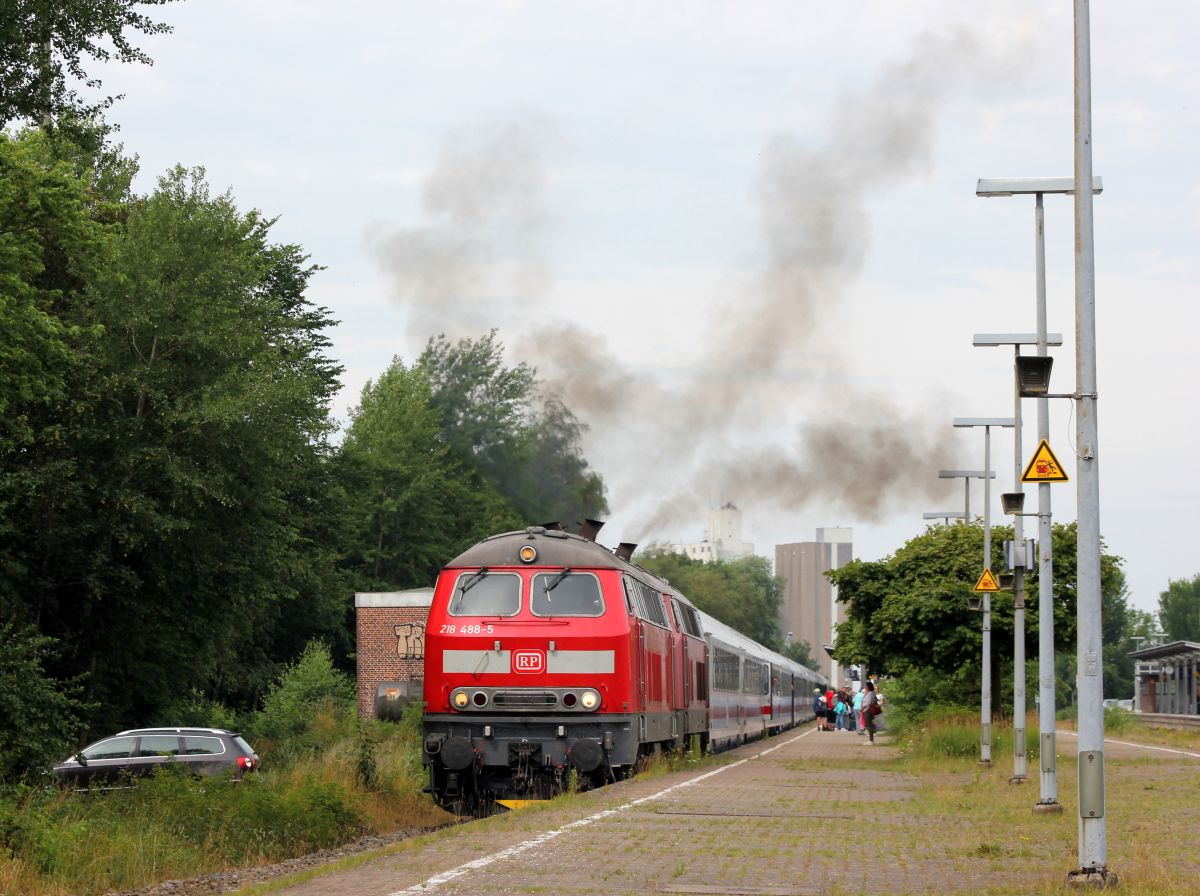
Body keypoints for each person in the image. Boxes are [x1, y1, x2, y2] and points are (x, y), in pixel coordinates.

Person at [861, 680, 880, 744]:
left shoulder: (870, 693)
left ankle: (871, 740)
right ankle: (871, 740)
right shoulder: (871, 693)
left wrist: (862, 708)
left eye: (866, 686)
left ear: (868, 687)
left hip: (867, 710)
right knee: (869, 725)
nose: (865, 687)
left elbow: (867, 703)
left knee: (869, 725)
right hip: (867, 710)